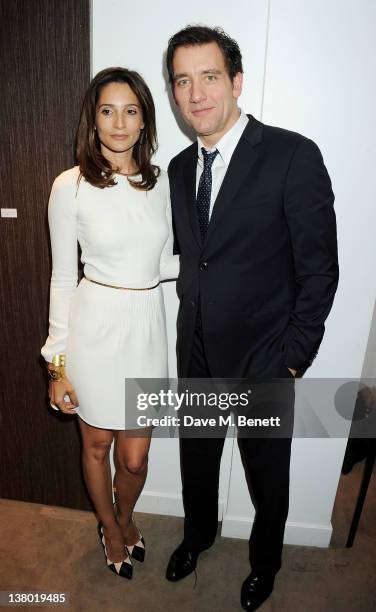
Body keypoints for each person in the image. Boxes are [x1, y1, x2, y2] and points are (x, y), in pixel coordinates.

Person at [164, 25, 339, 611]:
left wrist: (292, 357)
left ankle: (265, 563)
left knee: (268, 479)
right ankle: (197, 535)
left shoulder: (293, 155)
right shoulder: (181, 169)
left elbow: (319, 271)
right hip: (198, 353)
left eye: (209, 77)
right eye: (183, 80)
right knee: (197, 462)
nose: (196, 94)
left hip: (266, 358)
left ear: (236, 82)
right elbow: (201, 259)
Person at [41, 67, 179, 579]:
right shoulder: (70, 186)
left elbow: (162, 265)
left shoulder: (163, 183)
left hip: (146, 328)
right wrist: (56, 366)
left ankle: (125, 515)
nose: (118, 123)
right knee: (96, 445)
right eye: (107, 110)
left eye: (130, 110)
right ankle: (111, 527)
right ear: (93, 120)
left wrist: (220, 260)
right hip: (93, 329)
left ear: (144, 120)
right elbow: (60, 278)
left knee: (136, 458)